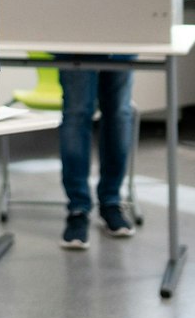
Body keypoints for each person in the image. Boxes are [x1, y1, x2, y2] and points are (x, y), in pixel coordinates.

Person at [57, 67, 137, 248]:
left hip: (121, 52)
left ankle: (111, 201)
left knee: (118, 113)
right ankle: (77, 208)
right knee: (76, 113)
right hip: (75, 51)